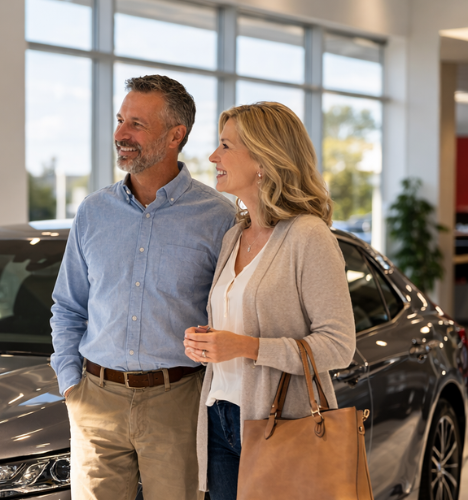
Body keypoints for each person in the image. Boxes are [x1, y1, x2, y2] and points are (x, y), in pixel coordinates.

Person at [50, 75, 237, 500]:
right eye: (121, 120)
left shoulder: (218, 218)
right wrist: (71, 386)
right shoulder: (94, 211)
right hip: (95, 399)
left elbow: (230, 315)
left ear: (175, 135)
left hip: (178, 402)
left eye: (137, 124)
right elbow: (68, 306)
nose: (121, 134)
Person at [182, 102, 356, 500]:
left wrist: (246, 347)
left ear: (263, 159)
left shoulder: (308, 237)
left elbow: (339, 345)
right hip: (219, 419)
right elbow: (240, 328)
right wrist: (208, 343)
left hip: (283, 426)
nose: (213, 157)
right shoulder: (234, 236)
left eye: (226, 146)